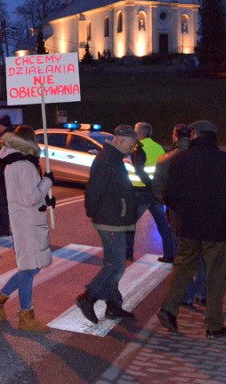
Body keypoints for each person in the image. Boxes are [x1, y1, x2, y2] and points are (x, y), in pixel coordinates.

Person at [156, 120, 226, 339]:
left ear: (195, 134)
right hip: (218, 229)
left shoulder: (179, 160)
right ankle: (214, 325)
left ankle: (168, 309)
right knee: (215, 277)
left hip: (187, 227)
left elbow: (168, 195)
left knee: (183, 267)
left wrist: (185, 211)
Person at [0, 125, 55, 332]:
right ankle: (26, 316)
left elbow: (28, 196)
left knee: (30, 266)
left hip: (26, 219)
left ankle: (0, 298)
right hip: (27, 222)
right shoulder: (23, 165)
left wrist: (46, 198)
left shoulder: (16, 163)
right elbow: (30, 197)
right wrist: (48, 182)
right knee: (28, 268)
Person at [75, 124, 140, 324]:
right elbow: (94, 189)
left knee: (113, 264)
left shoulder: (115, 158)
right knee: (116, 266)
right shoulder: (107, 160)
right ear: (120, 140)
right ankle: (88, 297)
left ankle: (113, 305)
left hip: (115, 218)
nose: (134, 147)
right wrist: (93, 212)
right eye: (132, 143)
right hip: (110, 220)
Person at [153, 123, 205, 307]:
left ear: (175, 137)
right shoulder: (201, 156)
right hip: (201, 212)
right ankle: (202, 293)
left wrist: (170, 205)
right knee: (200, 255)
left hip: (177, 214)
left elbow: (158, 188)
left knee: (181, 257)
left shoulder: (165, 159)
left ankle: (187, 295)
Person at [126, 122, 174, 262]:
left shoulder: (138, 148)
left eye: (135, 131)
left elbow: (140, 170)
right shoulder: (158, 147)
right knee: (163, 224)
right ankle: (169, 254)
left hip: (140, 191)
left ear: (139, 133)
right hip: (155, 193)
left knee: (129, 223)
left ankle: (128, 253)